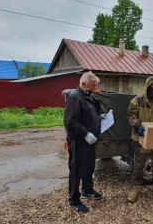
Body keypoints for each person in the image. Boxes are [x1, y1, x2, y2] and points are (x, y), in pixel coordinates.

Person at [64, 71, 103, 212]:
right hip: (79, 141)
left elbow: (90, 114)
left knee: (89, 166)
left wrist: (100, 118)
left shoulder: (89, 96)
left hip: (90, 141)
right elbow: (70, 122)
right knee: (76, 170)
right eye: (92, 85)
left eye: (96, 85)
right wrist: (85, 133)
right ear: (83, 84)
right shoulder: (75, 98)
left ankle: (87, 190)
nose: (94, 88)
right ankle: (73, 200)